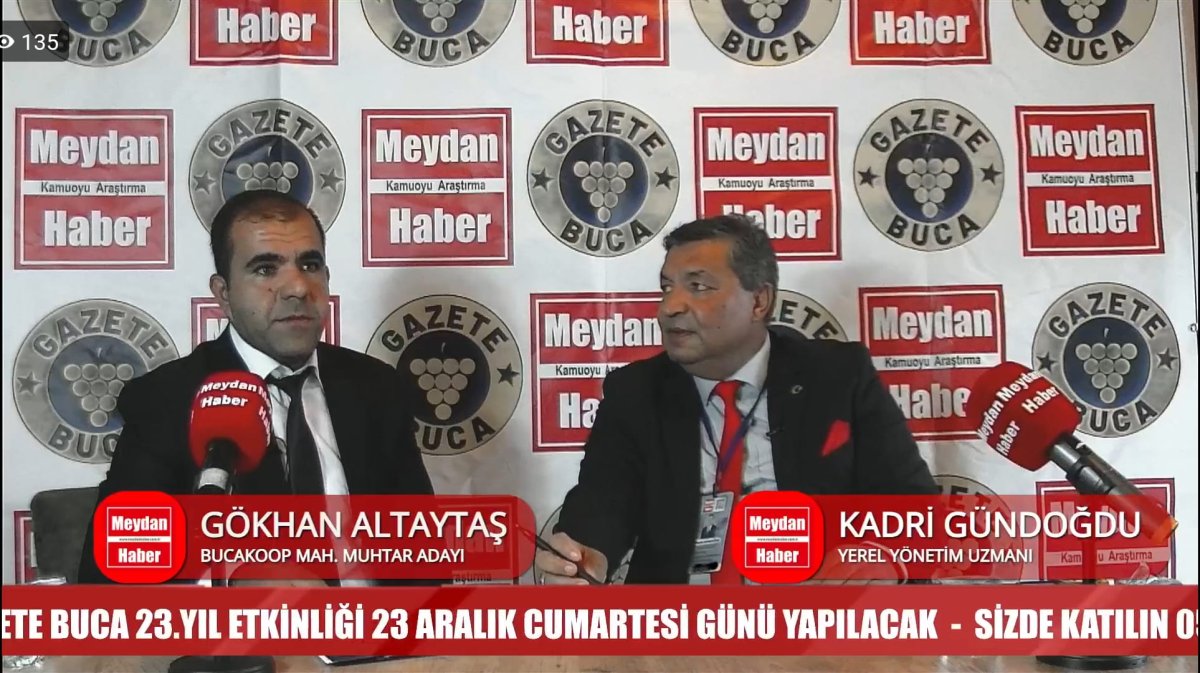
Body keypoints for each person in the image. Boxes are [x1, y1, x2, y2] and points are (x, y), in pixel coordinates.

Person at [535, 214, 938, 585]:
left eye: (698, 286)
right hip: (680, 627)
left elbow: (917, 509)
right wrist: (584, 556)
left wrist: (884, 559)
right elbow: (601, 505)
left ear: (759, 301)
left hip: (816, 620)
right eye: (666, 288)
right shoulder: (636, 391)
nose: (669, 307)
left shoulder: (837, 377)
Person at [77, 190, 433, 583]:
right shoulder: (165, 400)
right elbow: (111, 580)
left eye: (310, 265)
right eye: (265, 269)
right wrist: (233, 583)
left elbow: (426, 563)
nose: (298, 288)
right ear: (223, 294)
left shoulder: (379, 389)